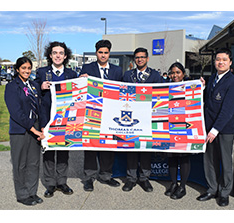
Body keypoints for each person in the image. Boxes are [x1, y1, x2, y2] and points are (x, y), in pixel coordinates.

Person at [197, 48, 234, 207]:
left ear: (230, 62)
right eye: (218, 59)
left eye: (224, 59)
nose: (220, 62)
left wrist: (215, 130)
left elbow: (228, 110)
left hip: (224, 129)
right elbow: (206, 103)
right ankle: (212, 189)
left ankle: (224, 193)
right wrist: (201, 88)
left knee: (225, 161)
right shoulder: (212, 79)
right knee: (209, 160)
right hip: (207, 127)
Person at [79, 39, 123, 191]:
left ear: (109, 53)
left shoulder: (117, 71)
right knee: (91, 146)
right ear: (96, 53)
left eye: (106, 52)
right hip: (92, 114)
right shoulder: (87, 68)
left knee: (108, 147)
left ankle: (105, 175)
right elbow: (80, 90)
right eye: (100, 52)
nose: (103, 55)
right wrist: (81, 80)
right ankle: (89, 177)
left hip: (111, 116)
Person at [35, 41, 77, 198]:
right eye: (55, 53)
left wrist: (85, 80)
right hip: (47, 119)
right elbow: (33, 90)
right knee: (48, 152)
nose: (58, 55)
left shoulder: (72, 74)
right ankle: (50, 184)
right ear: (50, 55)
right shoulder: (41, 72)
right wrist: (40, 87)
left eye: (61, 53)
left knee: (63, 152)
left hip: (66, 120)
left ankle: (62, 182)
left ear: (65, 56)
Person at [4, 56, 45, 206]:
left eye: (29, 68)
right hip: (20, 130)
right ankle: (22, 194)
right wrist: (33, 129)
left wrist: (41, 127)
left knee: (34, 163)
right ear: (17, 70)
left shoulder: (34, 85)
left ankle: (32, 192)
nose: (27, 71)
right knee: (20, 163)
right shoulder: (12, 87)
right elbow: (16, 112)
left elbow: (39, 107)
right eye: (23, 68)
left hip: (35, 127)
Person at [122, 47, 163, 192]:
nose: (140, 59)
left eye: (142, 57)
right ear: (134, 59)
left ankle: (145, 178)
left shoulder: (155, 75)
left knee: (146, 149)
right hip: (131, 118)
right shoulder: (128, 75)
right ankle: (131, 178)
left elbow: (163, 93)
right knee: (132, 148)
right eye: (137, 57)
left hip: (148, 118)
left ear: (147, 58)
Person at [164, 62, 191, 200]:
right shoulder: (164, 86)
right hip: (169, 126)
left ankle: (183, 186)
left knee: (183, 157)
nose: (175, 75)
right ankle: (174, 183)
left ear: (183, 74)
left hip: (184, 126)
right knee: (172, 157)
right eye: (172, 73)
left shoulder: (190, 87)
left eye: (178, 72)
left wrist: (201, 86)